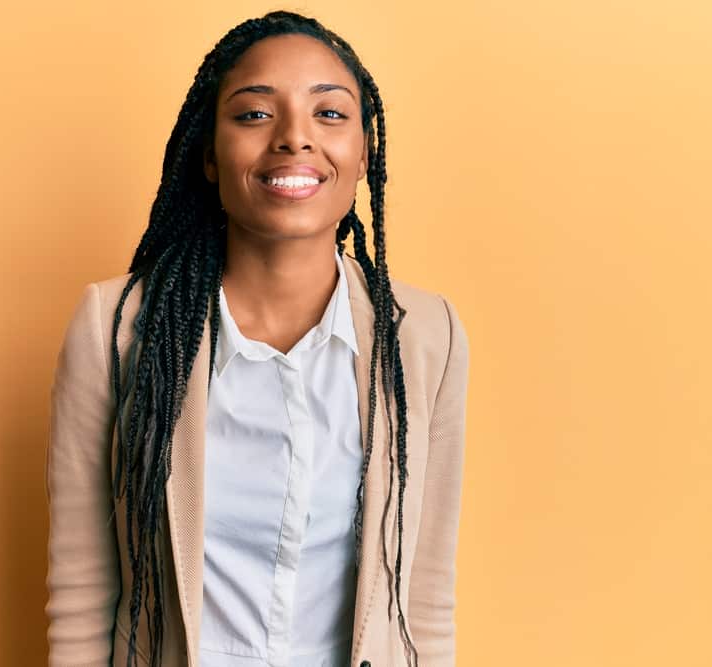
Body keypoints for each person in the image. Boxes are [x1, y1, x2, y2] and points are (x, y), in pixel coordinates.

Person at [45, 10, 470, 667]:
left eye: (329, 114)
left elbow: (424, 603)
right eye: (253, 115)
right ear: (209, 156)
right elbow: (82, 594)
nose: (294, 138)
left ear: (364, 153)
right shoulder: (117, 326)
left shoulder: (426, 338)